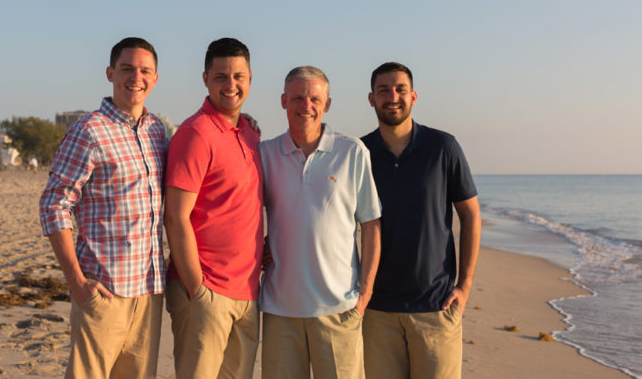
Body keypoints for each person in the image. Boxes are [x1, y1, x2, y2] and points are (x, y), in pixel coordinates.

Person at [39, 37, 166, 379]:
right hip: (103, 291)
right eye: (126, 69)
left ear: (155, 78)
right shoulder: (88, 130)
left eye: (144, 71)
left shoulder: (157, 132)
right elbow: (53, 205)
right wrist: (77, 282)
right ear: (110, 73)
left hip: (150, 291)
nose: (135, 78)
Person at [259, 66, 382, 379]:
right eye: (298, 97)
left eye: (315, 98)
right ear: (284, 101)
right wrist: (256, 248)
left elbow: (371, 223)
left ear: (327, 104)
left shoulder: (352, 151)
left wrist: (364, 294)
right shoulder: (265, 153)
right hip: (279, 309)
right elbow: (240, 211)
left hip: (339, 309)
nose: (306, 105)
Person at [361, 62, 481, 379]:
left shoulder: (443, 147)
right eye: (383, 90)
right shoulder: (360, 153)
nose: (392, 96)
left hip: (435, 307)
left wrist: (465, 285)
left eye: (400, 89)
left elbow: (470, 215)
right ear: (371, 99)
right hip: (377, 311)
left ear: (413, 97)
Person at [164, 37, 263, 379]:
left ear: (250, 78)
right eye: (220, 76)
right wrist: (197, 289)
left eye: (238, 76)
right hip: (205, 292)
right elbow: (175, 216)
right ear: (205, 79)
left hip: (247, 292)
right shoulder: (196, 133)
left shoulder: (249, 133)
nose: (230, 85)